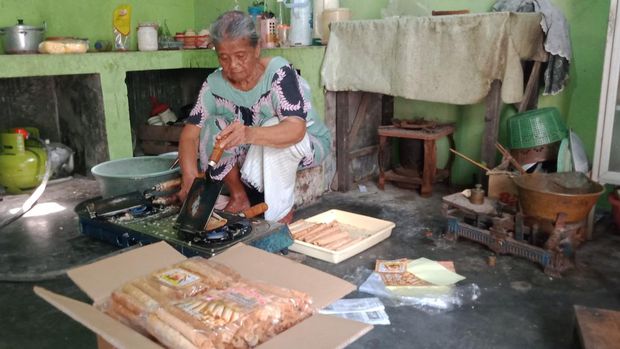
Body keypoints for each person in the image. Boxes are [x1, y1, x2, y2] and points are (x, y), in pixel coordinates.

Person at [178, 11, 331, 224]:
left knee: (274, 123)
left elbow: (296, 129)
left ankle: (280, 210)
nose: (232, 65)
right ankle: (239, 196)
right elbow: (190, 135)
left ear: (257, 48)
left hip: (306, 144)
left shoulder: (278, 73)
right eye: (224, 57)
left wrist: (247, 134)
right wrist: (189, 177)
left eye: (240, 56)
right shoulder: (214, 83)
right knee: (213, 126)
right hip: (252, 148)